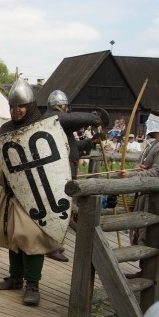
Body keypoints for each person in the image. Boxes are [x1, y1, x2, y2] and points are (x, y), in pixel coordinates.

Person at [0, 79, 64, 306]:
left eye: (21, 106)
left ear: (31, 105)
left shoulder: (43, 127)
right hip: (10, 194)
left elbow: (57, 160)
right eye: (12, 107)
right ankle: (15, 279)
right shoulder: (6, 129)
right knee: (11, 237)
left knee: (31, 239)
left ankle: (33, 285)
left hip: (35, 196)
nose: (16, 111)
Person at [43, 90, 107, 262]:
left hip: (65, 169)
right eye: (64, 106)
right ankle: (51, 246)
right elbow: (70, 118)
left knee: (62, 208)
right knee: (58, 208)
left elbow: (73, 146)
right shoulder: (52, 118)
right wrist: (94, 119)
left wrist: (92, 141)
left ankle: (54, 244)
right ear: (59, 106)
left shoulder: (62, 125)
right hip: (58, 172)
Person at [117, 109, 159, 277]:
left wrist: (133, 174)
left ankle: (153, 275)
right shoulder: (152, 144)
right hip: (146, 197)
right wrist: (138, 169)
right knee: (143, 234)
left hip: (156, 200)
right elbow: (146, 167)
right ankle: (146, 271)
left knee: (154, 236)